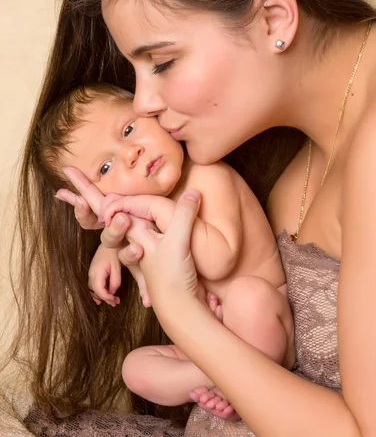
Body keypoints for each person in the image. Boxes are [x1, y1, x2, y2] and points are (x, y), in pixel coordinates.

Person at [12, 0, 376, 437]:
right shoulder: (301, 146)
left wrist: (181, 311)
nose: (141, 104)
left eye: (163, 63)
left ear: (274, 16)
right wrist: (124, 225)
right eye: (136, 72)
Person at [39, 81, 293, 412]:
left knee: (248, 296)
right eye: (105, 167)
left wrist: (155, 209)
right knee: (136, 368)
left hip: (264, 324)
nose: (131, 154)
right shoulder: (145, 208)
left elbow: (218, 261)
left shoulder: (207, 175)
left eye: (129, 129)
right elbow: (136, 245)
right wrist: (108, 246)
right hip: (205, 343)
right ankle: (207, 374)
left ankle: (235, 375)